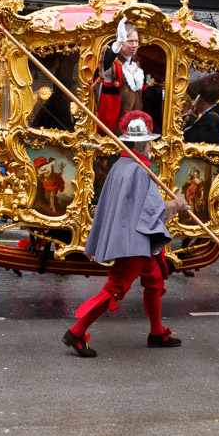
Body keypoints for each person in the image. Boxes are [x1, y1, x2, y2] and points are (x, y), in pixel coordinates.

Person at [61, 111, 190, 357]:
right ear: (141, 143)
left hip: (133, 236)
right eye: (149, 141)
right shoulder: (139, 170)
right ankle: (77, 332)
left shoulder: (121, 165)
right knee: (116, 286)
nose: (151, 145)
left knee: (154, 280)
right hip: (134, 241)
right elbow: (153, 213)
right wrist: (177, 204)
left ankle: (157, 332)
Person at [93, 18, 142, 134]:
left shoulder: (136, 65)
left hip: (134, 128)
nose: (134, 45)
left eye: (136, 41)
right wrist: (118, 43)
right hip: (115, 128)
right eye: (130, 41)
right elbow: (104, 66)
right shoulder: (114, 64)